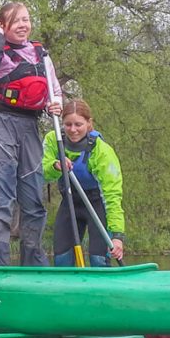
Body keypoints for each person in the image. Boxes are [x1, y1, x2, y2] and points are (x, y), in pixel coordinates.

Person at [0, 1, 63, 266]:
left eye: (26, 20)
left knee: (34, 200)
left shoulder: (41, 55)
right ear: (3, 25)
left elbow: (54, 90)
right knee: (3, 198)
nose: (24, 25)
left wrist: (55, 103)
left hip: (29, 127)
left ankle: (33, 265)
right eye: (17, 21)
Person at [42, 98, 125, 267]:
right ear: (62, 124)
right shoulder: (54, 140)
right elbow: (41, 172)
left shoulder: (101, 151)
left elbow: (112, 196)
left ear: (89, 123)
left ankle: (103, 289)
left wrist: (117, 237)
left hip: (96, 204)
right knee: (62, 260)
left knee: (98, 259)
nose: (73, 130)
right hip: (70, 202)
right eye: (68, 124)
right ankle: (67, 290)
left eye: (78, 124)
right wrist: (55, 166)